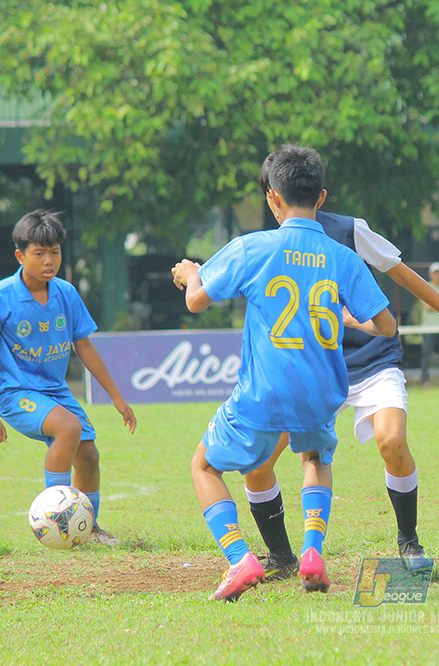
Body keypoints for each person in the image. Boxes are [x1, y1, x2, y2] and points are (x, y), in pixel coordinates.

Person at [241, 155, 439, 581]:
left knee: (392, 441)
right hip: (312, 370)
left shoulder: (349, 231)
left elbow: (404, 274)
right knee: (260, 462)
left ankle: (408, 541)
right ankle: (281, 556)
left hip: (370, 360)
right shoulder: (267, 246)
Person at [172, 144, 396, 602]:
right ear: (321, 197)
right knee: (314, 460)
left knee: (204, 465)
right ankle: (312, 553)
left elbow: (197, 301)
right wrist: (354, 320)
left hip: (266, 391)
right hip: (323, 389)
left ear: (273, 198)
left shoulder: (253, 247)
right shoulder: (343, 256)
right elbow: (387, 326)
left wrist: (191, 272)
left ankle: (239, 559)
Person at [0, 210, 137, 546]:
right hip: (14, 392)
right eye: (39, 253)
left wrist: (116, 397)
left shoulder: (66, 293)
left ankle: (88, 529)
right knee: (68, 427)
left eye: (55, 252)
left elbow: (85, 346)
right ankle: (55, 523)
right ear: (20, 256)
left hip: (55, 391)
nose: (49, 261)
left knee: (89, 455)